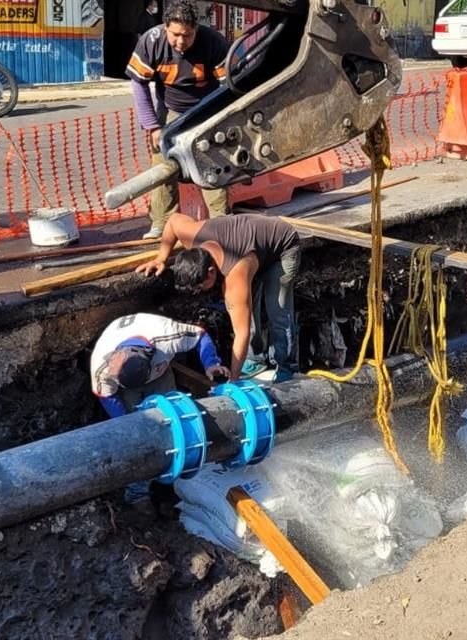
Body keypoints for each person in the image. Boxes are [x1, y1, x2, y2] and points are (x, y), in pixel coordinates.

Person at [136, 213, 301, 384]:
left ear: (211, 272)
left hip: (282, 245)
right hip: (253, 244)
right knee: (246, 310)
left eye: (200, 287)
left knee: (278, 309)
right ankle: (255, 359)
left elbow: (241, 333)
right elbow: (172, 221)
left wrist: (234, 380)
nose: (199, 292)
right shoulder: (192, 235)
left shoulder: (235, 277)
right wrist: (160, 258)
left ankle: (286, 367)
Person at [126, 0, 231, 240]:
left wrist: (217, 121)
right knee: (163, 165)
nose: (181, 41)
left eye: (188, 35)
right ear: (165, 28)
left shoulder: (214, 42)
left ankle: (221, 223)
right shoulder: (150, 42)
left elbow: (228, 86)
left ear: (196, 29)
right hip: (171, 111)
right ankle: (163, 223)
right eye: (175, 35)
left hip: (208, 109)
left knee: (212, 161)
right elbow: (139, 83)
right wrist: (153, 126)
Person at [91, 312, 230, 418]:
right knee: (135, 418)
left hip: (161, 374)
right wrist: (123, 422)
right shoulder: (101, 366)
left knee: (173, 411)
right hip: (128, 388)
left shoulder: (167, 336)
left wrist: (210, 363)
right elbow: (107, 396)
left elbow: (200, 336)